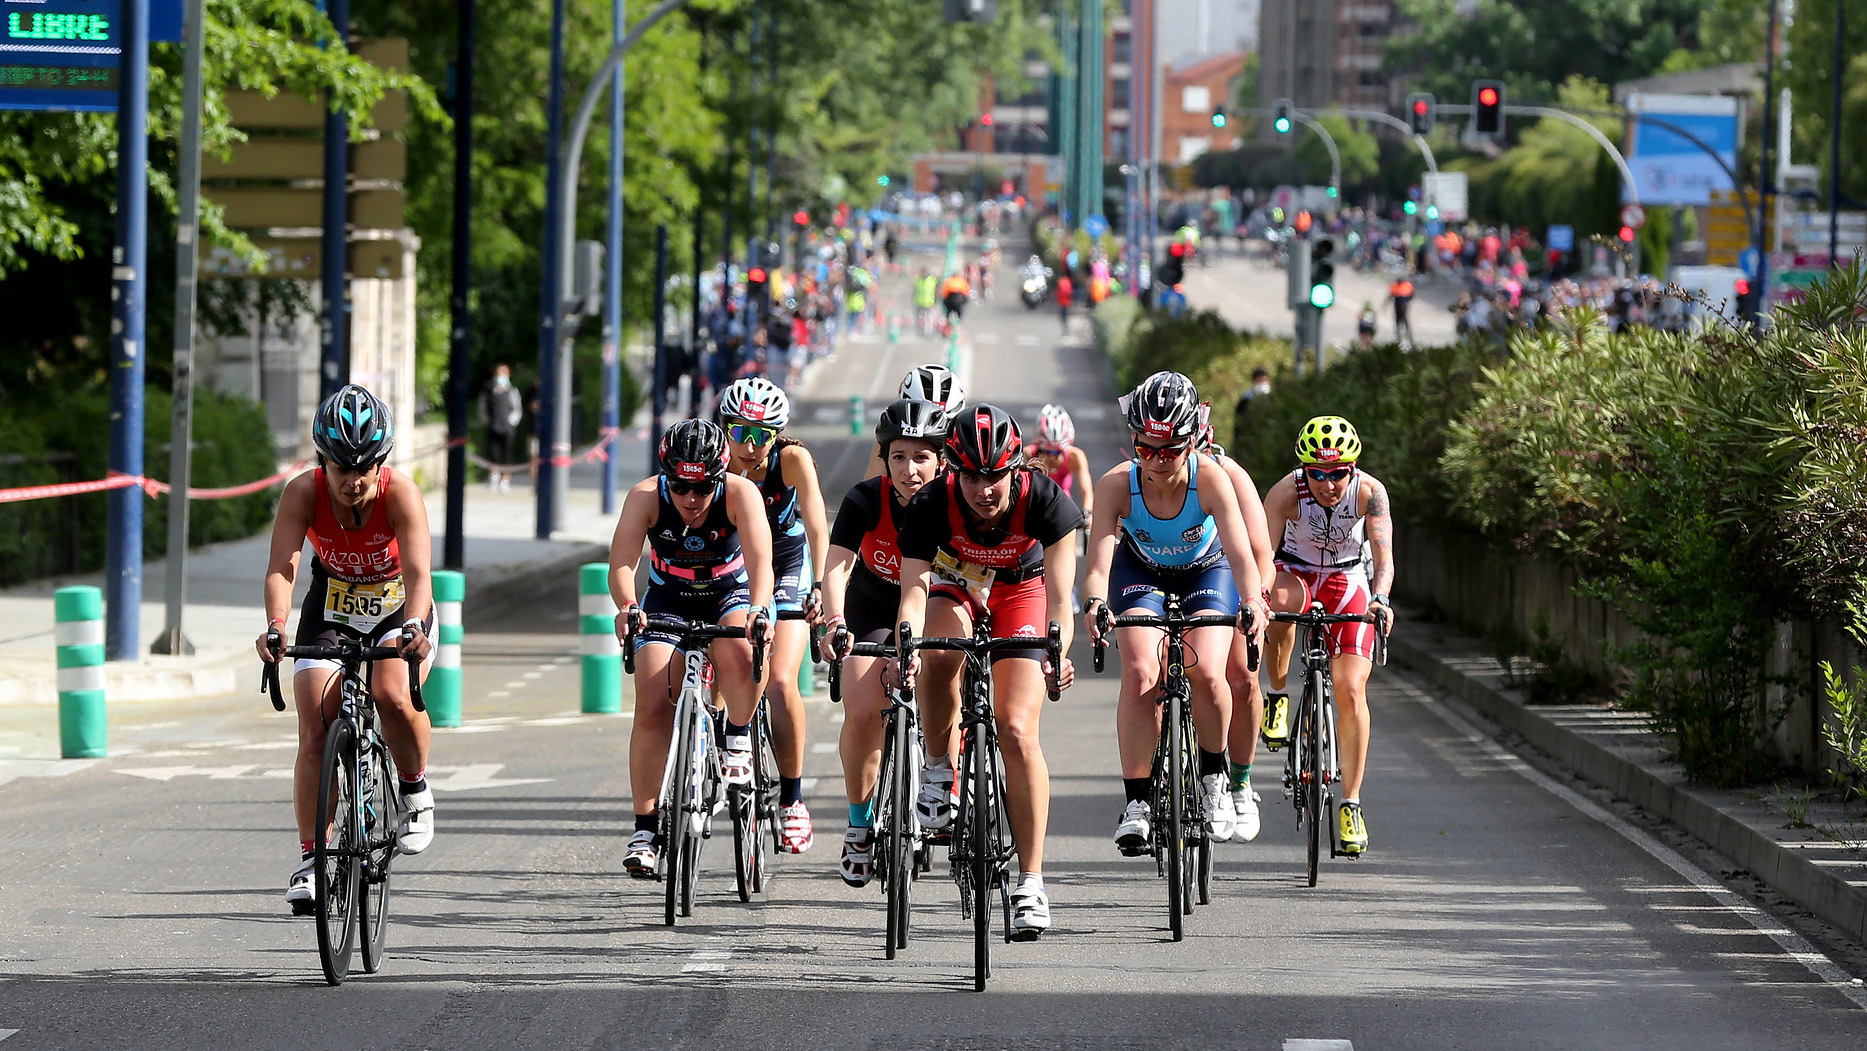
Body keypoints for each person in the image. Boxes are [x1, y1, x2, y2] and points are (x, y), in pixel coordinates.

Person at [896, 405, 1081, 936]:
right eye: (972, 476)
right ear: (954, 470)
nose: (984, 489)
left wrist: (1057, 654)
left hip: (1021, 589)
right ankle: (937, 769)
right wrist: (907, 644)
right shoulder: (932, 503)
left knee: (1017, 729)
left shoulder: (1045, 500)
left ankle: (1031, 882)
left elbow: (1060, 604)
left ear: (1016, 469)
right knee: (938, 650)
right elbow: (913, 591)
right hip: (954, 581)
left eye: (995, 475)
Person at [258, 384, 436, 913]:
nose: (353, 481)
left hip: (396, 606)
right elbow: (281, 568)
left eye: (365, 468)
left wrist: (414, 628)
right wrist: (275, 624)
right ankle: (313, 860)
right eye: (341, 469)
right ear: (322, 462)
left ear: (381, 463)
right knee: (314, 718)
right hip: (332, 604)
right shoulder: (302, 493)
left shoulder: (400, 493)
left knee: (391, 691)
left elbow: (421, 573)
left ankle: (414, 789)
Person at [1079, 373, 1268, 851]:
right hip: (1139, 571)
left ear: (1192, 442)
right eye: (1146, 449)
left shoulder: (1211, 478)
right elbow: (1098, 562)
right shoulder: (1116, 485)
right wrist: (1096, 604)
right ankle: (1138, 801)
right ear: (1134, 442)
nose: (1158, 461)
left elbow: (1243, 555)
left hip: (1207, 571)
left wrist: (1252, 603)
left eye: (1171, 450)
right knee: (1142, 671)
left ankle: (1214, 779)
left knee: (1206, 671)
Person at [609, 419, 775, 876]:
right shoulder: (645, 496)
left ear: (719, 478)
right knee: (652, 701)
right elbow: (621, 564)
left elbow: (762, 560)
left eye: (703, 487)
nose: (691, 498)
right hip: (667, 597)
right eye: (680, 486)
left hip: (730, 593)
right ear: (667, 478)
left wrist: (761, 609)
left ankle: (737, 736)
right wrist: (627, 605)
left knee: (739, 649)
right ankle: (645, 829)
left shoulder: (741, 494)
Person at [821, 398, 951, 885]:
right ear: (885, 459)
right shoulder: (864, 499)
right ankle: (859, 823)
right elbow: (836, 567)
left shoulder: (956, 502)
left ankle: (945, 783)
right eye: (898, 456)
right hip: (872, 605)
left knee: (950, 681)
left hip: (939, 602)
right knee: (861, 709)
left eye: (921, 458)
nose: (909, 469)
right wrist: (834, 621)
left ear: (940, 460)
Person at [1259, 416, 1394, 856]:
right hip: (1295, 571)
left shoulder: (1370, 494)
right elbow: (1263, 556)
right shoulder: (1285, 492)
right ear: (1304, 470)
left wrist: (1381, 599)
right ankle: (1277, 695)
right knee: (1278, 604)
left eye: (1337, 473)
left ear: (1352, 469)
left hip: (1348, 579)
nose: (1327, 484)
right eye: (1316, 473)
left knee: (1351, 689)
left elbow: (1384, 558)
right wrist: (1257, 601)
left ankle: (1351, 803)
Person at [717, 378, 830, 852]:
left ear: (777, 435)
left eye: (760, 435)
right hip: (734, 558)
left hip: (786, 560)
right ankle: (708, 744)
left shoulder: (792, 460)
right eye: (739, 432)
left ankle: (792, 799)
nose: (747, 445)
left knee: (781, 681)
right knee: (721, 656)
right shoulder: (714, 459)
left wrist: (821, 585)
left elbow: (819, 523)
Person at [1195, 420, 1278, 842]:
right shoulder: (1147, 477)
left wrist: (1256, 601)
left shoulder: (1229, 475)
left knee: (1242, 677)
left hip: (1231, 577)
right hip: (1173, 578)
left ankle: (1241, 783)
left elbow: (1262, 555)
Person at [479, 364, 524, 491]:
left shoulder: (512, 391)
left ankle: (505, 479)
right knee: (492, 453)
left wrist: (511, 422)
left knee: (507, 455)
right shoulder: (488, 390)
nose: (500, 376)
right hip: (493, 426)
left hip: (507, 428)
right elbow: (482, 408)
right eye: (498, 373)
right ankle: (493, 476)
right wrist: (486, 421)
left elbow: (517, 408)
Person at [1386, 276, 1415, 347]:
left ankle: (1409, 339)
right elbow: (1390, 296)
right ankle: (1400, 339)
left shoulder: (1406, 287)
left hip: (1402, 309)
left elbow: (1412, 295)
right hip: (1399, 309)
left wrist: (1407, 301)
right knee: (1400, 324)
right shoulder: (1396, 287)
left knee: (1404, 324)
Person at [914, 269, 938, 336]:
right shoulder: (918, 280)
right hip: (919, 301)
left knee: (929, 317)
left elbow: (935, 290)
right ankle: (919, 329)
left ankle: (928, 329)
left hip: (929, 302)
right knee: (919, 316)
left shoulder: (932, 280)